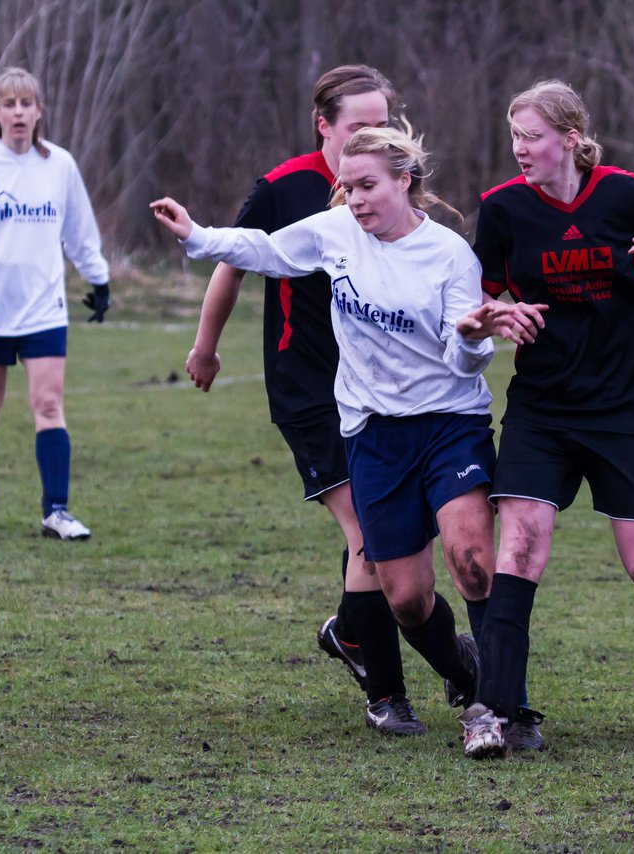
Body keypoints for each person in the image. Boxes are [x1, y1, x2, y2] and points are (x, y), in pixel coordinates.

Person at [152, 125, 541, 756]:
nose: (354, 199)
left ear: (404, 182)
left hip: (449, 425)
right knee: (407, 600)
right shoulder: (334, 233)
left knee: (471, 560)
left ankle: (496, 709)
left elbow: (467, 363)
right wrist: (197, 235)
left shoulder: (449, 257)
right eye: (346, 186)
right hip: (373, 434)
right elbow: (265, 252)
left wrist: (472, 334)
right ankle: (471, 671)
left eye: (366, 186)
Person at [463, 80, 634, 751]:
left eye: (531, 137)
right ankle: (492, 713)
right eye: (514, 138)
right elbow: (479, 302)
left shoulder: (631, 193)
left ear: (569, 136)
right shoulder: (502, 208)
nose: (519, 150)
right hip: (544, 406)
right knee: (521, 546)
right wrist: (494, 318)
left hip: (629, 405)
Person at [182, 65, 417, 731]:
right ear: (323, 125)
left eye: (384, 123)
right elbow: (233, 261)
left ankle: (350, 632)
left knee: (389, 527)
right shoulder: (286, 188)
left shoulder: (393, 183)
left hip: (379, 390)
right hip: (307, 389)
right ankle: (385, 693)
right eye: (358, 125)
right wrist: (207, 345)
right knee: (370, 536)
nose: (375, 135)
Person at [0, 66, 111, 541]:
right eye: (8, 104)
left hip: (43, 308)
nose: (18, 112)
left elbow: (79, 229)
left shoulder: (60, 166)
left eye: (26, 104)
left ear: (39, 112)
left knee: (49, 404)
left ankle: (56, 511)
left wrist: (99, 278)